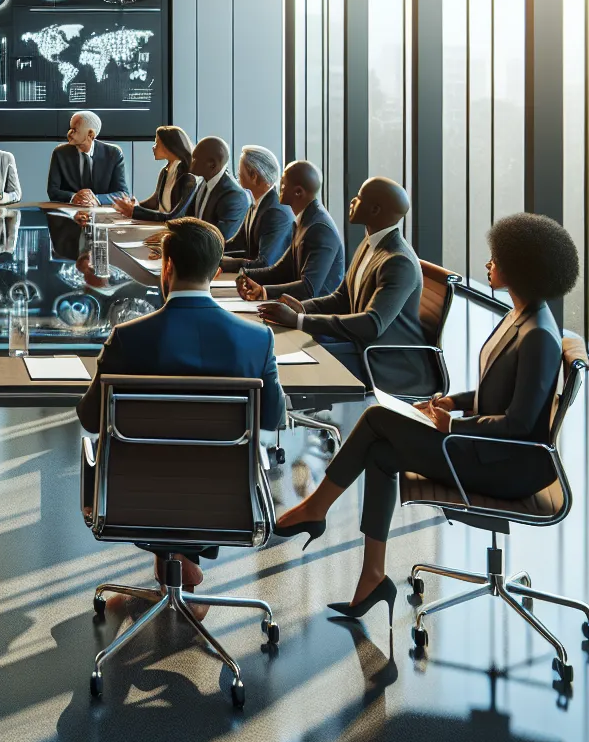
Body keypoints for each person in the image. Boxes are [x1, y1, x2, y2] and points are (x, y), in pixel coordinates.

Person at [273, 213, 579, 620]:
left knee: (377, 419)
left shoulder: (539, 335)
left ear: (520, 269)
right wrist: (454, 403)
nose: (488, 264)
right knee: (381, 452)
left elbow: (520, 426)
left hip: (506, 464)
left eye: (495, 259)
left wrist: (452, 425)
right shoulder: (521, 316)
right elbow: (501, 395)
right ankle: (372, 575)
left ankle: (316, 509)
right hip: (488, 447)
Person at [77, 217, 287, 611]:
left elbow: (90, 419)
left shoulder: (128, 338)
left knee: (141, 456)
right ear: (216, 269)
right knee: (197, 461)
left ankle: (173, 564)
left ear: (167, 266)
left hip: (136, 496)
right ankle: (181, 564)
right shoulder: (257, 339)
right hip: (225, 498)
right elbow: (274, 419)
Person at [257, 177, 432, 395]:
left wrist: (299, 321)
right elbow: (342, 297)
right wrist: (302, 308)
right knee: (279, 349)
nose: (352, 201)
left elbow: (372, 324)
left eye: (359, 198)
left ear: (376, 210)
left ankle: (276, 421)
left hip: (382, 360)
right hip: (358, 347)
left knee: (280, 361)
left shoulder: (398, 261)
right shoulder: (370, 243)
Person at [234, 159, 344, 302]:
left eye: (283, 183)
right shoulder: (305, 220)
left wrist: (264, 291)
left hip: (316, 316)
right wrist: (246, 275)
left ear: (298, 192)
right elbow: (280, 270)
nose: (279, 186)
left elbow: (308, 288)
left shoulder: (319, 228)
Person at [220, 145, 293, 272]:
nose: (237, 175)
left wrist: (220, 263)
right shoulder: (257, 203)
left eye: (239, 170)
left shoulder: (275, 212)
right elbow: (236, 244)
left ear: (253, 175)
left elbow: (265, 263)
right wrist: (206, 254)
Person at [114, 125, 198, 222]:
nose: (154, 147)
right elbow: (155, 201)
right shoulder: (166, 171)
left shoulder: (188, 177)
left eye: (157, 143)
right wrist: (133, 205)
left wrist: (135, 211)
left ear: (168, 145)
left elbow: (175, 217)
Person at [45, 110, 129, 206]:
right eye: (70, 129)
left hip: (103, 215)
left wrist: (95, 199)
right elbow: (53, 191)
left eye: (74, 130)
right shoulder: (60, 153)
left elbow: (123, 194)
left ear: (90, 134)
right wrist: (74, 197)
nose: (69, 134)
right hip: (70, 213)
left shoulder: (113, 154)